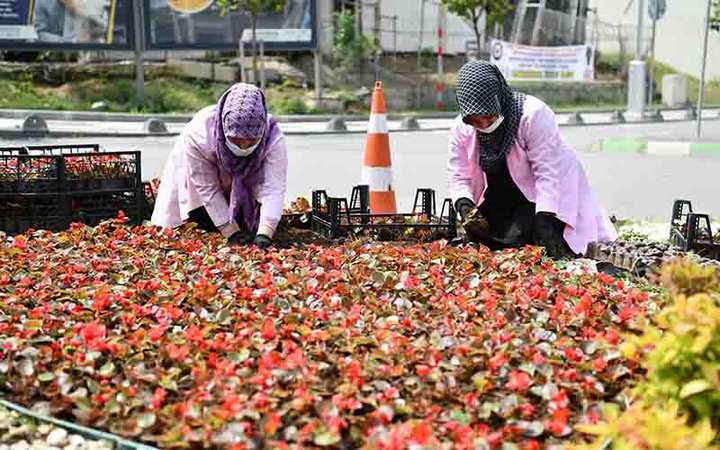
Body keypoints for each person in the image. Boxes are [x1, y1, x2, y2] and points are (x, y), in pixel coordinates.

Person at [448, 60, 616, 257]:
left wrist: (545, 216)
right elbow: (459, 176)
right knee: (486, 236)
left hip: (546, 188)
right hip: (502, 188)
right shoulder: (461, 127)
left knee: (540, 237)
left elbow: (548, 173)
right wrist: (464, 204)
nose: (483, 124)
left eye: (488, 116)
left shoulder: (533, 115)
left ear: (499, 100)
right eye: (475, 120)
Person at [151, 83, 287, 249]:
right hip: (199, 184)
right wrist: (230, 231)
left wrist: (265, 233)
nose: (243, 147)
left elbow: (273, 187)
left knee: (251, 224)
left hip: (247, 179)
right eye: (236, 140)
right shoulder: (200, 134)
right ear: (224, 127)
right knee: (201, 221)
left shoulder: (272, 135)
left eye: (251, 141)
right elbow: (208, 188)